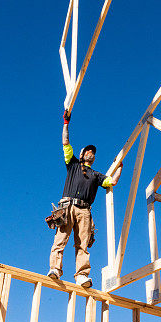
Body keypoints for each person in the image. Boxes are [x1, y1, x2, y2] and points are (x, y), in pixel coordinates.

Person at [48, 110, 122, 288]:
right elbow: (65, 142)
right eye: (88, 150)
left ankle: (81, 275)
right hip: (67, 207)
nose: (91, 152)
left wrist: (120, 166)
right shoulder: (73, 164)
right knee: (60, 240)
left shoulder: (96, 175)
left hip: (84, 210)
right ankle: (55, 269)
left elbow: (112, 181)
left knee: (82, 244)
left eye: (93, 152)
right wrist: (66, 123)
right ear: (81, 155)